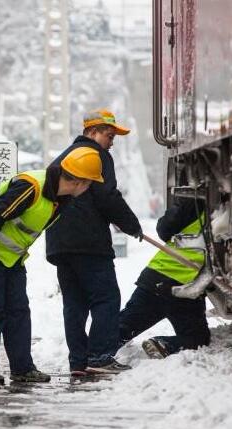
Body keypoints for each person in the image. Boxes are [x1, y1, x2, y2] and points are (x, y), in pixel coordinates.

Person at [0, 147, 104, 384]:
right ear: (80, 182)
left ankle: (22, 368)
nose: (89, 188)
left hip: (11, 256)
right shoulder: (31, 187)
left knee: (18, 310)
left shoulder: (61, 199)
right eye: (90, 183)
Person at [45, 108, 143, 376]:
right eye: (109, 136)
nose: (112, 142)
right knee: (107, 298)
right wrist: (131, 225)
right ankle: (99, 358)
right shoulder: (96, 157)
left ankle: (79, 361)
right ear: (91, 132)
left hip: (60, 242)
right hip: (88, 242)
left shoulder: (63, 156)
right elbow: (107, 197)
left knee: (74, 303)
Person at [117, 197, 210, 358]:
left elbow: (164, 229)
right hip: (186, 290)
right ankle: (162, 345)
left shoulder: (195, 203)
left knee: (121, 328)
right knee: (197, 339)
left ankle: (91, 352)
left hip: (158, 280)